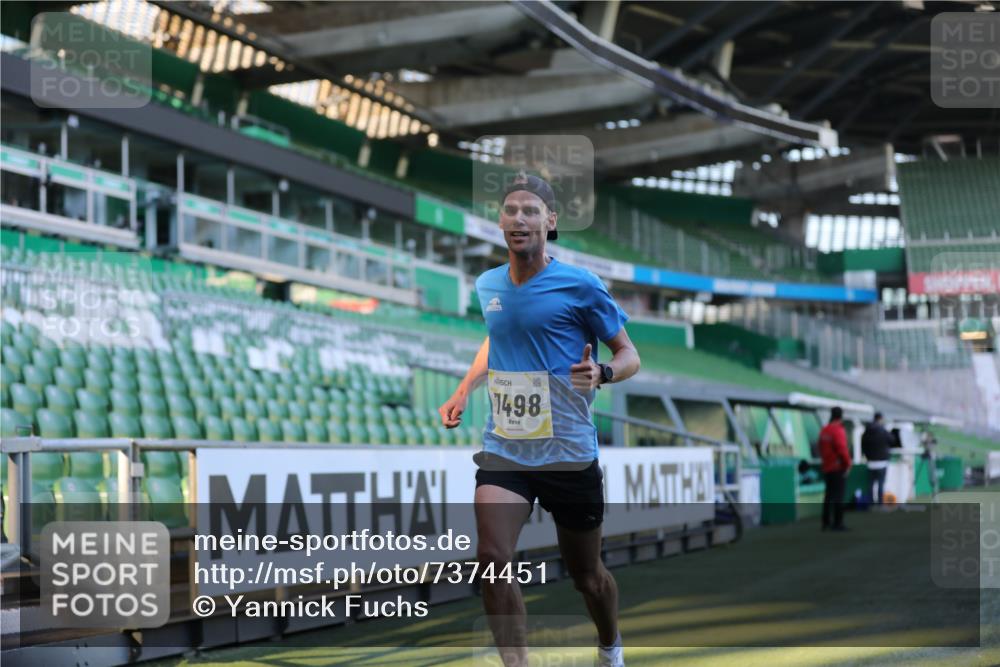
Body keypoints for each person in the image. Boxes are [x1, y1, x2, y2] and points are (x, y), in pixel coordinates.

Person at [439, 172, 640, 667]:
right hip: (506, 447)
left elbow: (629, 354)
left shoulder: (580, 284)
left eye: (530, 211)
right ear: (500, 221)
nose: (519, 219)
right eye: (511, 210)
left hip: (568, 452)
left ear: (550, 222)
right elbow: (498, 336)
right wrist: (464, 388)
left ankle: (610, 646)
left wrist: (603, 372)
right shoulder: (488, 284)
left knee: (587, 576)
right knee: (492, 559)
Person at [819, 406, 851, 531]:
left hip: (827, 466)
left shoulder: (824, 430)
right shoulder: (838, 430)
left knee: (828, 495)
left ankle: (826, 522)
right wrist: (847, 464)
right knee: (838, 496)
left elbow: (820, 447)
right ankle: (838, 523)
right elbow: (842, 449)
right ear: (841, 416)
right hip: (837, 467)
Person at [861, 412, 892, 506]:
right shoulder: (883, 430)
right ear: (880, 419)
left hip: (870, 462)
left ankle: (871, 503)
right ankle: (880, 504)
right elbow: (892, 440)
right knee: (880, 484)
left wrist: (867, 455)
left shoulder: (867, 431)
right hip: (882, 462)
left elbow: (863, 445)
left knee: (870, 484)